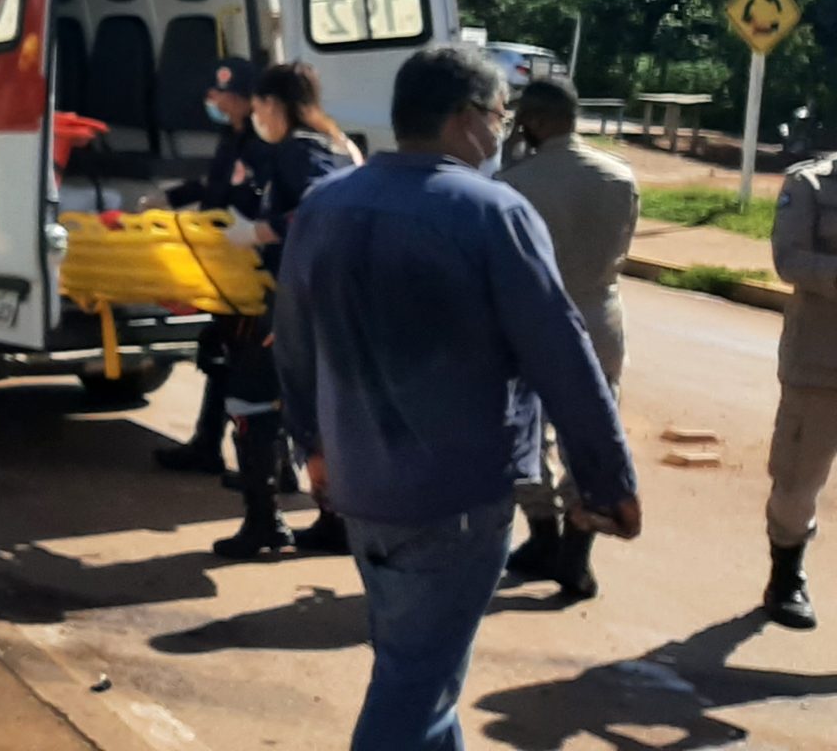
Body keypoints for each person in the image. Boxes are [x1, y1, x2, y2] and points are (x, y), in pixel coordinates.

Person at [276, 45, 638, 751]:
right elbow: (560, 351)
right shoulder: (492, 211)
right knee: (414, 688)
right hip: (456, 499)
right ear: (469, 118)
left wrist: (311, 447)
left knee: (417, 671)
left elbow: (292, 340)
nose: (503, 132)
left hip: (359, 484)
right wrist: (607, 479)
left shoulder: (325, 204)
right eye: (501, 116)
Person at [495, 77, 639, 599]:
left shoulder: (517, 181)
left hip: (535, 317)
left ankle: (543, 535)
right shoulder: (618, 175)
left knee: (528, 432)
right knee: (592, 429)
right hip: (601, 314)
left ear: (531, 121)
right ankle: (577, 554)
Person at [212, 61, 360, 559]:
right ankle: (335, 520)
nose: (258, 118)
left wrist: (260, 231)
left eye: (259, 109)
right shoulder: (342, 145)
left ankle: (263, 522)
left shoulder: (301, 149)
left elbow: (320, 207)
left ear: (274, 106)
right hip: (332, 300)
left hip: (296, 301)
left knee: (250, 400)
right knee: (320, 409)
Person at [155, 57, 274, 476]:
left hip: (253, 265)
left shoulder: (265, 143)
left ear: (242, 98)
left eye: (219, 94)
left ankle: (269, 466)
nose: (213, 101)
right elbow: (214, 185)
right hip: (224, 260)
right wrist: (170, 198)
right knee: (222, 353)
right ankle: (207, 444)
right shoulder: (231, 137)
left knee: (251, 364)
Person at [765, 151, 837, 630]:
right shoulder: (810, 183)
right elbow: (789, 260)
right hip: (820, 363)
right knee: (797, 482)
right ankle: (786, 574)